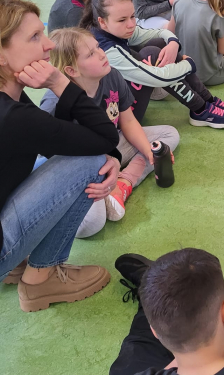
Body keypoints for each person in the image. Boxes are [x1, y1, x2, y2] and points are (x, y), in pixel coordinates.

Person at [0, 0, 120, 312]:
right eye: (35, 37)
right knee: (91, 161)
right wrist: (59, 82)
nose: (48, 45)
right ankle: (41, 278)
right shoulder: (14, 117)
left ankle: (17, 265)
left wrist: (113, 157)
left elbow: (56, 141)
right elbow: (104, 140)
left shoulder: (11, 101)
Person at [40, 28, 179, 235]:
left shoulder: (111, 75)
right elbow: (53, 158)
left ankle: (123, 184)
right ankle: (101, 191)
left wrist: (148, 152)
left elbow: (128, 121)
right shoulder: (54, 103)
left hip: (111, 148)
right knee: (93, 224)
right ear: (72, 71)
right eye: (90, 54)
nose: (101, 53)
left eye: (97, 46)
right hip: (80, 165)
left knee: (168, 136)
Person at [80, 0, 224, 129]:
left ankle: (208, 100)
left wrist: (172, 42)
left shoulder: (111, 28)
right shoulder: (108, 50)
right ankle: (200, 109)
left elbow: (157, 33)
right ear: (102, 22)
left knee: (158, 43)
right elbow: (158, 79)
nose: (131, 24)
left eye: (132, 16)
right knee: (152, 54)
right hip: (122, 117)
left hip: (128, 90)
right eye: (122, 20)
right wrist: (188, 65)